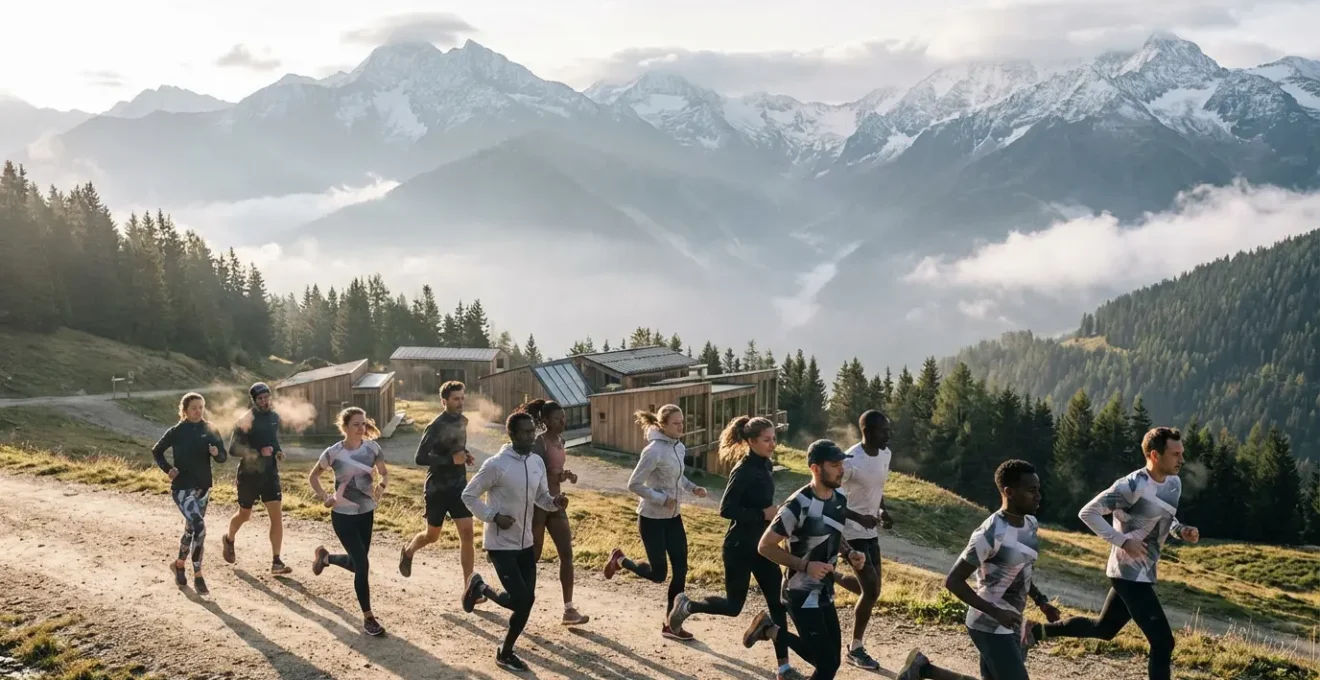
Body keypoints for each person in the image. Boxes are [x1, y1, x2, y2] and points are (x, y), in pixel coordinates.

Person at [1026, 427, 1198, 680]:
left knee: (1104, 629)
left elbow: (1165, 517)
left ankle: (1035, 631)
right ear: (1154, 455)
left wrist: (1181, 530)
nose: (1182, 460)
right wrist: (1122, 542)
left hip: (1144, 572)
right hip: (1128, 574)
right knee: (1163, 642)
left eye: (1182, 453)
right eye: (1175, 454)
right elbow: (1088, 512)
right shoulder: (1131, 486)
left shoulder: (1174, 482)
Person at [895, 460, 1062, 680]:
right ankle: (922, 670)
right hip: (988, 623)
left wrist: (1041, 601)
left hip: (1010, 621)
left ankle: (923, 670)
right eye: (1032, 491)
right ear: (1009, 492)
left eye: (1038, 490)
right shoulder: (989, 533)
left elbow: (1021, 573)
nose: (1038, 496)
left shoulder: (1030, 524)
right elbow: (953, 581)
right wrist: (996, 613)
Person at [666, 416, 803, 680]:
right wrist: (763, 513)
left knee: (777, 605)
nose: (772, 443)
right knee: (732, 606)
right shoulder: (744, 469)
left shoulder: (765, 464)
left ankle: (783, 668)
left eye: (774, 438)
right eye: (766, 439)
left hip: (762, 547)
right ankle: (687, 605)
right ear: (751, 441)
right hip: (739, 546)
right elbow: (726, 509)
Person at [745, 439, 868, 680]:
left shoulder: (838, 500)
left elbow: (834, 532)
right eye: (834, 464)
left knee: (830, 663)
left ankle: (770, 629)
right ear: (815, 468)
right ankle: (770, 629)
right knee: (827, 665)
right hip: (799, 593)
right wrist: (805, 565)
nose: (841, 469)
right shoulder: (797, 505)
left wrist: (849, 552)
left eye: (841, 463)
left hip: (824, 591)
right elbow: (765, 546)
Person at [461, 411, 570, 673]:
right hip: (500, 544)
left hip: (526, 543)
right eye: (525, 432)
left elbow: (541, 497)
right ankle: (481, 588)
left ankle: (505, 651)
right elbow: (469, 495)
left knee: (527, 601)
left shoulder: (536, 462)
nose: (531, 436)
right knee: (519, 600)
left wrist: (554, 503)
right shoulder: (496, 465)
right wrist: (493, 517)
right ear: (512, 434)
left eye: (533, 431)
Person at [602, 404, 708, 641]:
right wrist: (661, 499)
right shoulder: (653, 451)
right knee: (659, 574)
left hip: (674, 518)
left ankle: (672, 625)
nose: (681, 427)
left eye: (682, 422)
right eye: (676, 423)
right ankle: (620, 559)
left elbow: (679, 477)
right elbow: (634, 484)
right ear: (662, 425)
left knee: (681, 570)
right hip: (651, 519)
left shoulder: (678, 446)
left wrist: (693, 488)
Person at [309, 407, 389, 636]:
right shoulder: (333, 452)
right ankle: (368, 618)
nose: (361, 428)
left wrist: (381, 487)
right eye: (356, 424)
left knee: (356, 564)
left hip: (367, 514)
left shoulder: (373, 448)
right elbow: (313, 477)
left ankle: (325, 558)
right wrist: (325, 497)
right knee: (362, 565)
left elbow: (384, 473)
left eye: (363, 424)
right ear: (344, 427)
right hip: (343, 516)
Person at [399, 381, 478, 604]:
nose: (460, 402)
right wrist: (450, 460)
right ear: (444, 401)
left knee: (468, 535)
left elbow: (456, 447)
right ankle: (409, 551)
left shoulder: (463, 421)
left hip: (459, 486)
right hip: (437, 489)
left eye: (462, 398)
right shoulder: (435, 426)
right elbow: (420, 458)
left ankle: (468, 589)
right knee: (432, 536)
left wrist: (465, 455)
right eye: (456, 399)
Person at [520, 399, 590, 626]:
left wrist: (564, 476)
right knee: (534, 555)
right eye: (558, 418)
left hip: (558, 503)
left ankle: (569, 610)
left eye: (564, 417)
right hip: (540, 504)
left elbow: (553, 471)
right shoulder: (538, 443)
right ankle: (520, 601)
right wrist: (554, 478)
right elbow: (534, 475)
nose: (563, 421)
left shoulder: (561, 440)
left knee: (567, 554)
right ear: (546, 421)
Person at [835, 410, 895, 671]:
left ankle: (830, 576)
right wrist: (858, 517)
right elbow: (833, 500)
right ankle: (855, 648)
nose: (888, 434)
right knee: (870, 591)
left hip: (871, 532)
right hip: (850, 533)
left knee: (870, 590)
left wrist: (882, 510)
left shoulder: (885, 454)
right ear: (868, 432)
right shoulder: (850, 461)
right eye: (884, 430)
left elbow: (877, 490)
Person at [152, 392, 227, 595]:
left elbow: (223, 456)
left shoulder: (210, 429)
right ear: (184, 411)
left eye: (201, 407)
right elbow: (156, 451)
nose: (198, 411)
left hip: (203, 487)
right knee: (200, 527)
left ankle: (178, 564)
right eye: (194, 407)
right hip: (182, 488)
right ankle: (198, 573)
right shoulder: (176, 431)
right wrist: (168, 469)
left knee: (190, 530)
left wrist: (216, 454)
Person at [222, 382, 291, 575]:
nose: (264, 401)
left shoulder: (274, 417)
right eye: (260, 398)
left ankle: (276, 561)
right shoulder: (246, 419)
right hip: (249, 475)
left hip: (269, 474)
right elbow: (233, 449)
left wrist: (277, 451)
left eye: (267, 397)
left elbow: (272, 440)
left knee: (276, 516)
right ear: (253, 400)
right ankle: (229, 539)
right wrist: (259, 451)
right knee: (245, 515)